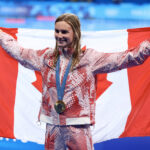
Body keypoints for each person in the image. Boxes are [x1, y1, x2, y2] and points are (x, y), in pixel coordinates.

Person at [0, 13, 150, 150]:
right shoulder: (45, 58)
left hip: (78, 126)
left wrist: (147, 47)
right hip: (53, 125)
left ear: (76, 33)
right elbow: (18, 52)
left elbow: (124, 59)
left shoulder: (89, 59)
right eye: (57, 31)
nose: (59, 35)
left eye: (64, 32)